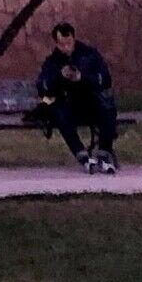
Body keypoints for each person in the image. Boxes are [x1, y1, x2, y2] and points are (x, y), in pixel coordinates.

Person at [33, 20, 120, 174]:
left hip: (91, 103)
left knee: (107, 104)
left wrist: (82, 77)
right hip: (70, 106)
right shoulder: (53, 61)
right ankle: (81, 154)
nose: (66, 47)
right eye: (61, 44)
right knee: (59, 113)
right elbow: (43, 86)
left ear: (73, 38)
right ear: (56, 43)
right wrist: (60, 76)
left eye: (68, 43)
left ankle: (104, 154)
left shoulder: (89, 54)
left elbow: (105, 79)